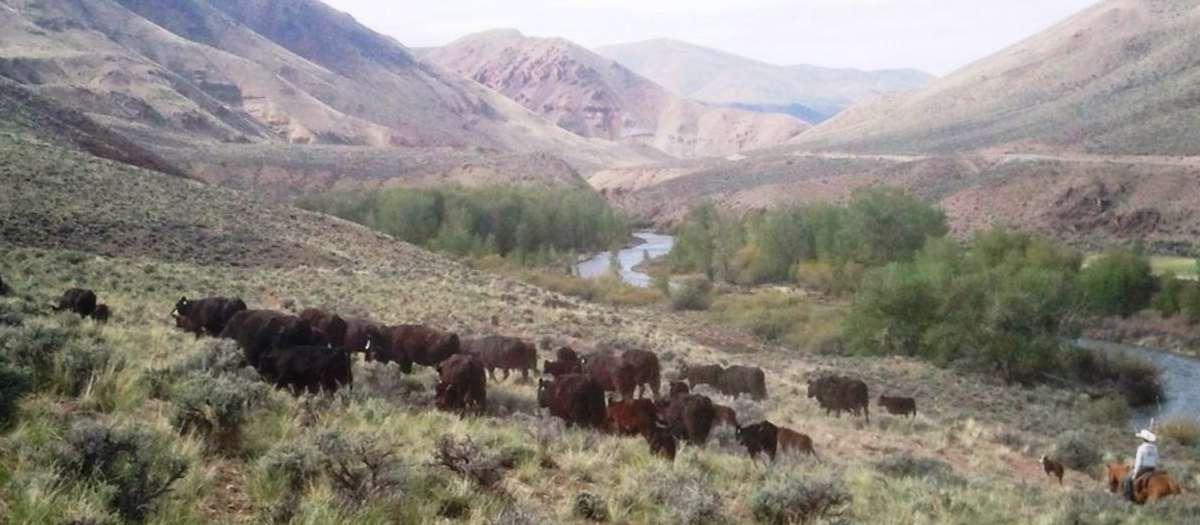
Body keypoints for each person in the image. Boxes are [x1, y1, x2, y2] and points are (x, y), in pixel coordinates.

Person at [1124, 429, 1158, 501]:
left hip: (1143, 469)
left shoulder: (1141, 448)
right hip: (1152, 468)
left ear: (1143, 439)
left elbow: (1138, 462)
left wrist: (1135, 473)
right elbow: (1156, 459)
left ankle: (1128, 499)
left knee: (1127, 479)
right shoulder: (1155, 448)